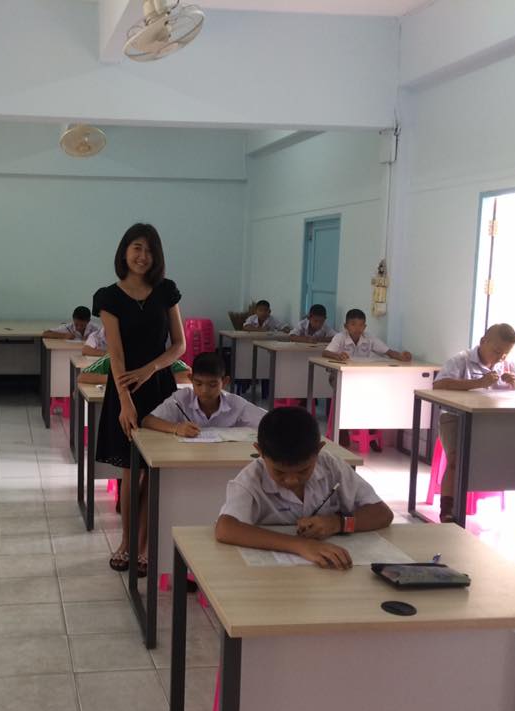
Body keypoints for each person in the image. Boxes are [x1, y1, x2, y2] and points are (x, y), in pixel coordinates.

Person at [93, 223, 185, 575]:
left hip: (160, 389)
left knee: (153, 472)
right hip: (125, 390)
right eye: (136, 247)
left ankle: (144, 546)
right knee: (132, 474)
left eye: (149, 250)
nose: (142, 256)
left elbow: (179, 345)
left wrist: (151, 369)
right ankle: (126, 543)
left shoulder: (166, 291)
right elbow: (116, 354)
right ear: (124, 252)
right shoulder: (108, 297)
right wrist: (125, 400)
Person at [215, 406, 393, 569]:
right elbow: (226, 528)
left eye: (303, 470)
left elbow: (382, 513)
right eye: (279, 472)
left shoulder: (332, 467)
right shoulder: (251, 479)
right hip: (272, 574)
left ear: (319, 450)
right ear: (260, 451)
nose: (292, 480)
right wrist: (300, 545)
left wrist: (337, 523)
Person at [432, 323, 515, 524]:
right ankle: (447, 510)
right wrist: (477, 383)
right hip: (457, 417)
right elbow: (438, 385)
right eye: (497, 351)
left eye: (505, 354)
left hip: (495, 421)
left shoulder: (508, 364)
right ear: (483, 342)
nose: (500, 357)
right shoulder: (461, 360)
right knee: (456, 458)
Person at [142, 352, 264, 437]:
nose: (204, 390)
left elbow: (267, 423)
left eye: (212, 384)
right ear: (191, 379)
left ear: (225, 382)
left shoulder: (235, 404)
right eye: (198, 384)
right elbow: (147, 421)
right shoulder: (182, 399)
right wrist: (176, 428)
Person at [322, 309, 411, 362]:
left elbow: (389, 352)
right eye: (353, 324)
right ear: (346, 326)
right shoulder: (340, 337)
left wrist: (401, 356)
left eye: (361, 325)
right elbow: (325, 353)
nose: (357, 328)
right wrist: (337, 356)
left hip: (361, 372)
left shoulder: (369, 337)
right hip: (341, 372)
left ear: (365, 327)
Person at [78, 355, 190, 386]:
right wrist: (117, 379)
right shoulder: (114, 358)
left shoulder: (163, 357)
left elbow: (189, 375)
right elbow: (82, 376)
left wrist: (152, 377)